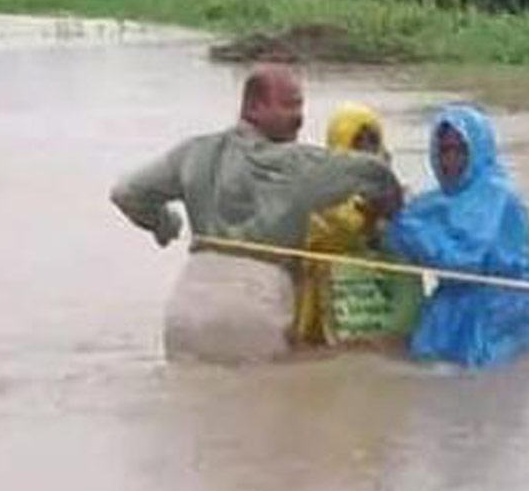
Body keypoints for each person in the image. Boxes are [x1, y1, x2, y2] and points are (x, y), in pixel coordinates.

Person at [110, 66, 403, 364]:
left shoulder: (194, 152)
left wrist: (165, 224)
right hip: (255, 303)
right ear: (253, 106)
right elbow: (374, 172)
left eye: (300, 105)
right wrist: (390, 207)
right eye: (289, 105)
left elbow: (125, 193)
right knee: (269, 401)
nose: (299, 116)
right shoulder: (298, 162)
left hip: (186, 308)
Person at [385, 103, 529, 368]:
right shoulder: (437, 201)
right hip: (456, 300)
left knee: (481, 381)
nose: (449, 161)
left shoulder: (497, 196)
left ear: (479, 150)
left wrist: (404, 222)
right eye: (443, 151)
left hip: (503, 305)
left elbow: (466, 260)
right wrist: (390, 213)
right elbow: (397, 245)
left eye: (460, 150)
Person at [289, 102, 418, 349]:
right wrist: (367, 220)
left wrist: (393, 215)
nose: (367, 151)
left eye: (373, 142)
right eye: (358, 143)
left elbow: (412, 237)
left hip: (380, 299)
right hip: (324, 298)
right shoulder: (318, 190)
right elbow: (320, 232)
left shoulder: (393, 189)